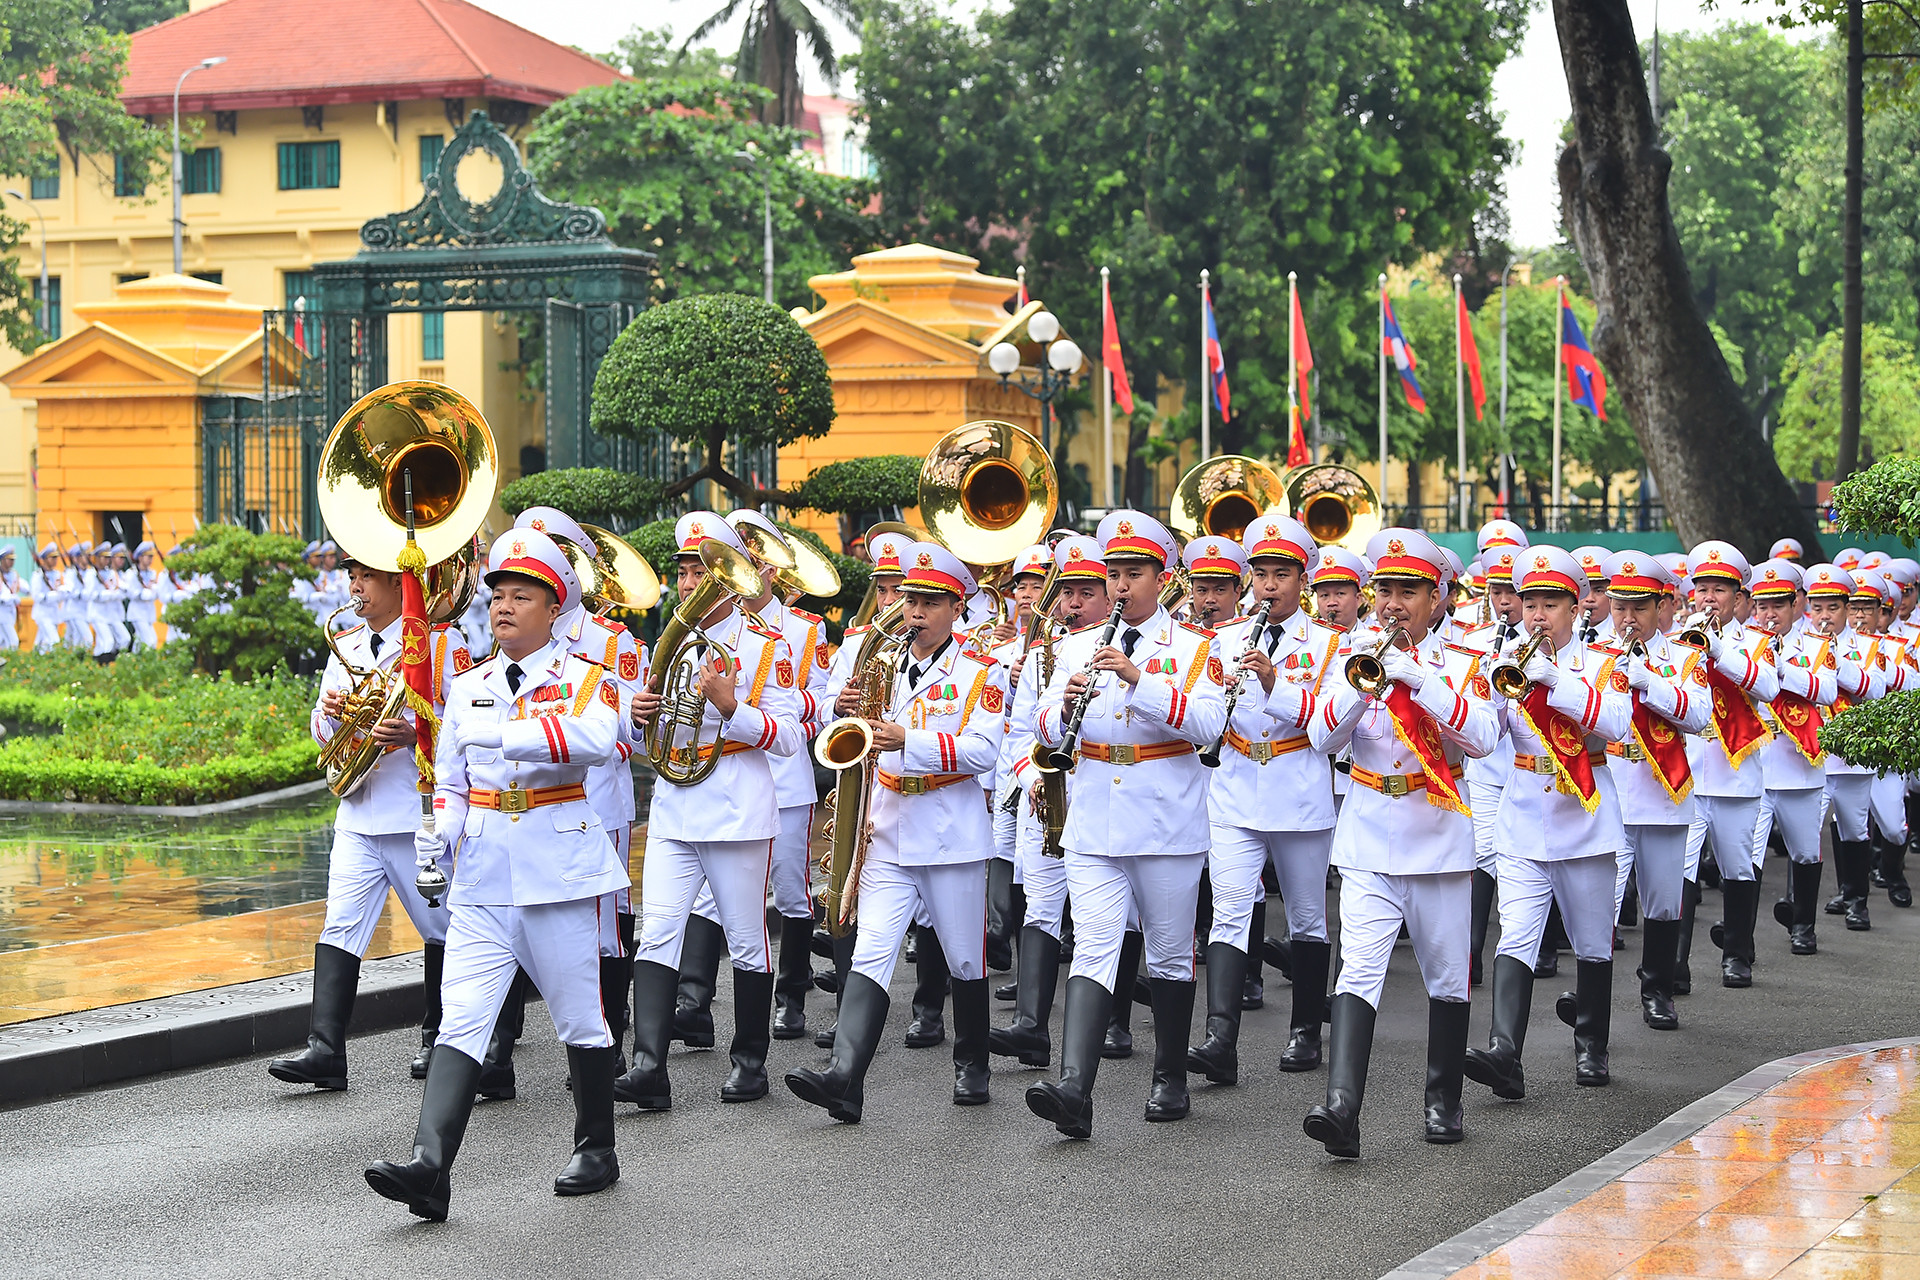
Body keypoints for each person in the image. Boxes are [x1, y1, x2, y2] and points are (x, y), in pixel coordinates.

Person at [365, 529, 626, 1219]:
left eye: (522, 596)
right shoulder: (470, 684)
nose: (505, 607)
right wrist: (438, 834)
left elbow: (599, 741)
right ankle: (430, 1166)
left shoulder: (585, 679)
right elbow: (450, 781)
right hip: (483, 874)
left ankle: (596, 1147)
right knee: (462, 1020)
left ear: (552, 608)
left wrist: (508, 734)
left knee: (580, 1019)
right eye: (499, 595)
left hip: (556, 870)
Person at [786, 542, 1010, 1122]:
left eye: (930, 602)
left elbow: (984, 751)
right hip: (885, 824)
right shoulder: (878, 660)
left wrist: (904, 739)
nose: (914, 611)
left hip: (947, 830)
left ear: (957, 607)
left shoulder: (981, 671)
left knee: (964, 958)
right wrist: (847, 709)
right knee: (873, 950)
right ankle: (845, 1077)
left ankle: (972, 1062)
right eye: (910, 599)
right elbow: (850, 734)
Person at [1024, 511, 1227, 1138]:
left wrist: (1139, 681)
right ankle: (1075, 1087)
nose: (1119, 587)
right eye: (1112, 574)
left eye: (1132, 574)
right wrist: (1061, 708)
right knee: (1093, 946)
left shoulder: (1195, 649)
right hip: (1093, 818)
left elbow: (1209, 727)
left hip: (1165, 822)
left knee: (1167, 954)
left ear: (1161, 578)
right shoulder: (1074, 648)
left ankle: (1170, 1074)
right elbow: (1043, 730)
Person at [1301, 529, 1497, 1156]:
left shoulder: (1466, 658)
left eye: (1407, 591)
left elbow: (1485, 737)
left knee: (1445, 975)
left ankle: (1443, 1101)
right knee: (1358, 969)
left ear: (1437, 597)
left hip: (1436, 834)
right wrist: (1364, 690)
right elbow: (1320, 738)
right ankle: (1342, 1108)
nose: (1392, 604)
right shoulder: (1351, 652)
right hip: (1366, 833)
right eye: (1384, 589)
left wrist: (1423, 682)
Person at [620, 513, 802, 1110]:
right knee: (658, 935)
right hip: (675, 804)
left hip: (736, 808)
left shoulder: (767, 647)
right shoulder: (664, 644)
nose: (692, 581)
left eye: (704, 570)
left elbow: (787, 738)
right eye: (685, 570)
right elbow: (651, 738)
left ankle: (749, 1062)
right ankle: (648, 1066)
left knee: (749, 942)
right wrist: (639, 717)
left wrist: (729, 707)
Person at [270, 550, 469, 1092]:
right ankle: (325, 1050)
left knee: (442, 927)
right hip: (359, 810)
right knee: (340, 924)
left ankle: (442, 1037)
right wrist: (331, 715)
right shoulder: (348, 645)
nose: (356, 588)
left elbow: (470, 719)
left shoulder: (439, 641)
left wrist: (417, 732)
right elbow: (318, 723)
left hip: (415, 809)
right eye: (352, 577)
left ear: (397, 584)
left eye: (367, 578)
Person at [1192, 515, 1343, 1086]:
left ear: (1302, 579)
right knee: (1230, 911)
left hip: (1298, 784)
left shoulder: (1331, 644)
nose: (1269, 586)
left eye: (1282, 575)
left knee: (1306, 915)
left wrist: (1276, 684)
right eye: (1261, 575)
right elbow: (1204, 712)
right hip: (1234, 782)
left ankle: (1306, 1030)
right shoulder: (1223, 640)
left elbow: (1330, 726)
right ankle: (1219, 1039)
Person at [993, 534, 1108, 1068]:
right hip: (1044, 795)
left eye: (1088, 591)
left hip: (1100, 795)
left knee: (1098, 921)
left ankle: (1114, 1024)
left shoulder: (1126, 649)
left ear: (1110, 596)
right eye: (1068, 592)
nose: (1075, 603)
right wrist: (1029, 775)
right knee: (1039, 905)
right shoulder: (1043, 655)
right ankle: (1031, 1027)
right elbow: (1016, 732)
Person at [1598, 552, 1711, 1031]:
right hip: (1607, 786)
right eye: (1620, 606)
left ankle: (1658, 990)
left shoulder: (1684, 656)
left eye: (1639, 607)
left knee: (1664, 899)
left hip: (1663, 789)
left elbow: (1700, 716)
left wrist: (1652, 684)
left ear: (1661, 605)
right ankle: (1591, 996)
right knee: (1601, 899)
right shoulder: (1594, 652)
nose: (1627, 618)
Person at [814, 529, 914, 1048]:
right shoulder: (857, 642)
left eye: (900, 589)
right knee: (845, 886)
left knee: (943, 921)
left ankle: (929, 1008)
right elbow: (827, 707)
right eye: (882, 588)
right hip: (862, 779)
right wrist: (843, 702)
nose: (890, 601)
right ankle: (847, 1011)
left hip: (911, 780)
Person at [1681, 542, 1780, 988]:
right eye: (1701, 588)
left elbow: (1768, 689)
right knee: (1681, 870)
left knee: (1738, 867)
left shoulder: (1756, 642)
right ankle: (1673, 966)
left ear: (1739, 598)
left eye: (1719, 590)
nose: (1708, 598)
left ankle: (1737, 954)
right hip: (1682, 774)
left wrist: (1719, 650)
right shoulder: (1675, 638)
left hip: (1735, 774)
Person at [1750, 560, 1841, 957]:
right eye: (1762, 605)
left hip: (1799, 766)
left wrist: (1778, 667)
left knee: (1805, 851)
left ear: (1797, 605)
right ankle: (1740, 940)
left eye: (1778, 605)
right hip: (1752, 766)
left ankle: (1804, 925)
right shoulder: (1741, 646)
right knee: (1746, 857)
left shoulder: (1816, 647)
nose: (1769, 614)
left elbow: (1826, 690)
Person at [1459, 539, 1524, 986]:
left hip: (1527, 765)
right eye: (1496, 590)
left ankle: (1529, 944)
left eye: (1512, 592)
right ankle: (1473, 952)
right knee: (1482, 851)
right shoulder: (1473, 642)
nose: (1504, 601)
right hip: (1484, 766)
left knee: (1523, 856)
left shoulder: (1552, 642)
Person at [1820, 568, 1892, 930]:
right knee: (1808, 832)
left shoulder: (1867, 646)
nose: (1824, 616)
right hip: (1812, 754)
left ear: (1847, 609)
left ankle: (1857, 900)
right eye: (1817, 608)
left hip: (1851, 756)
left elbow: (1876, 689)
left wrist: (1837, 660)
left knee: (1853, 827)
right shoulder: (1798, 642)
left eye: (1832, 608)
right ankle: (1804, 904)